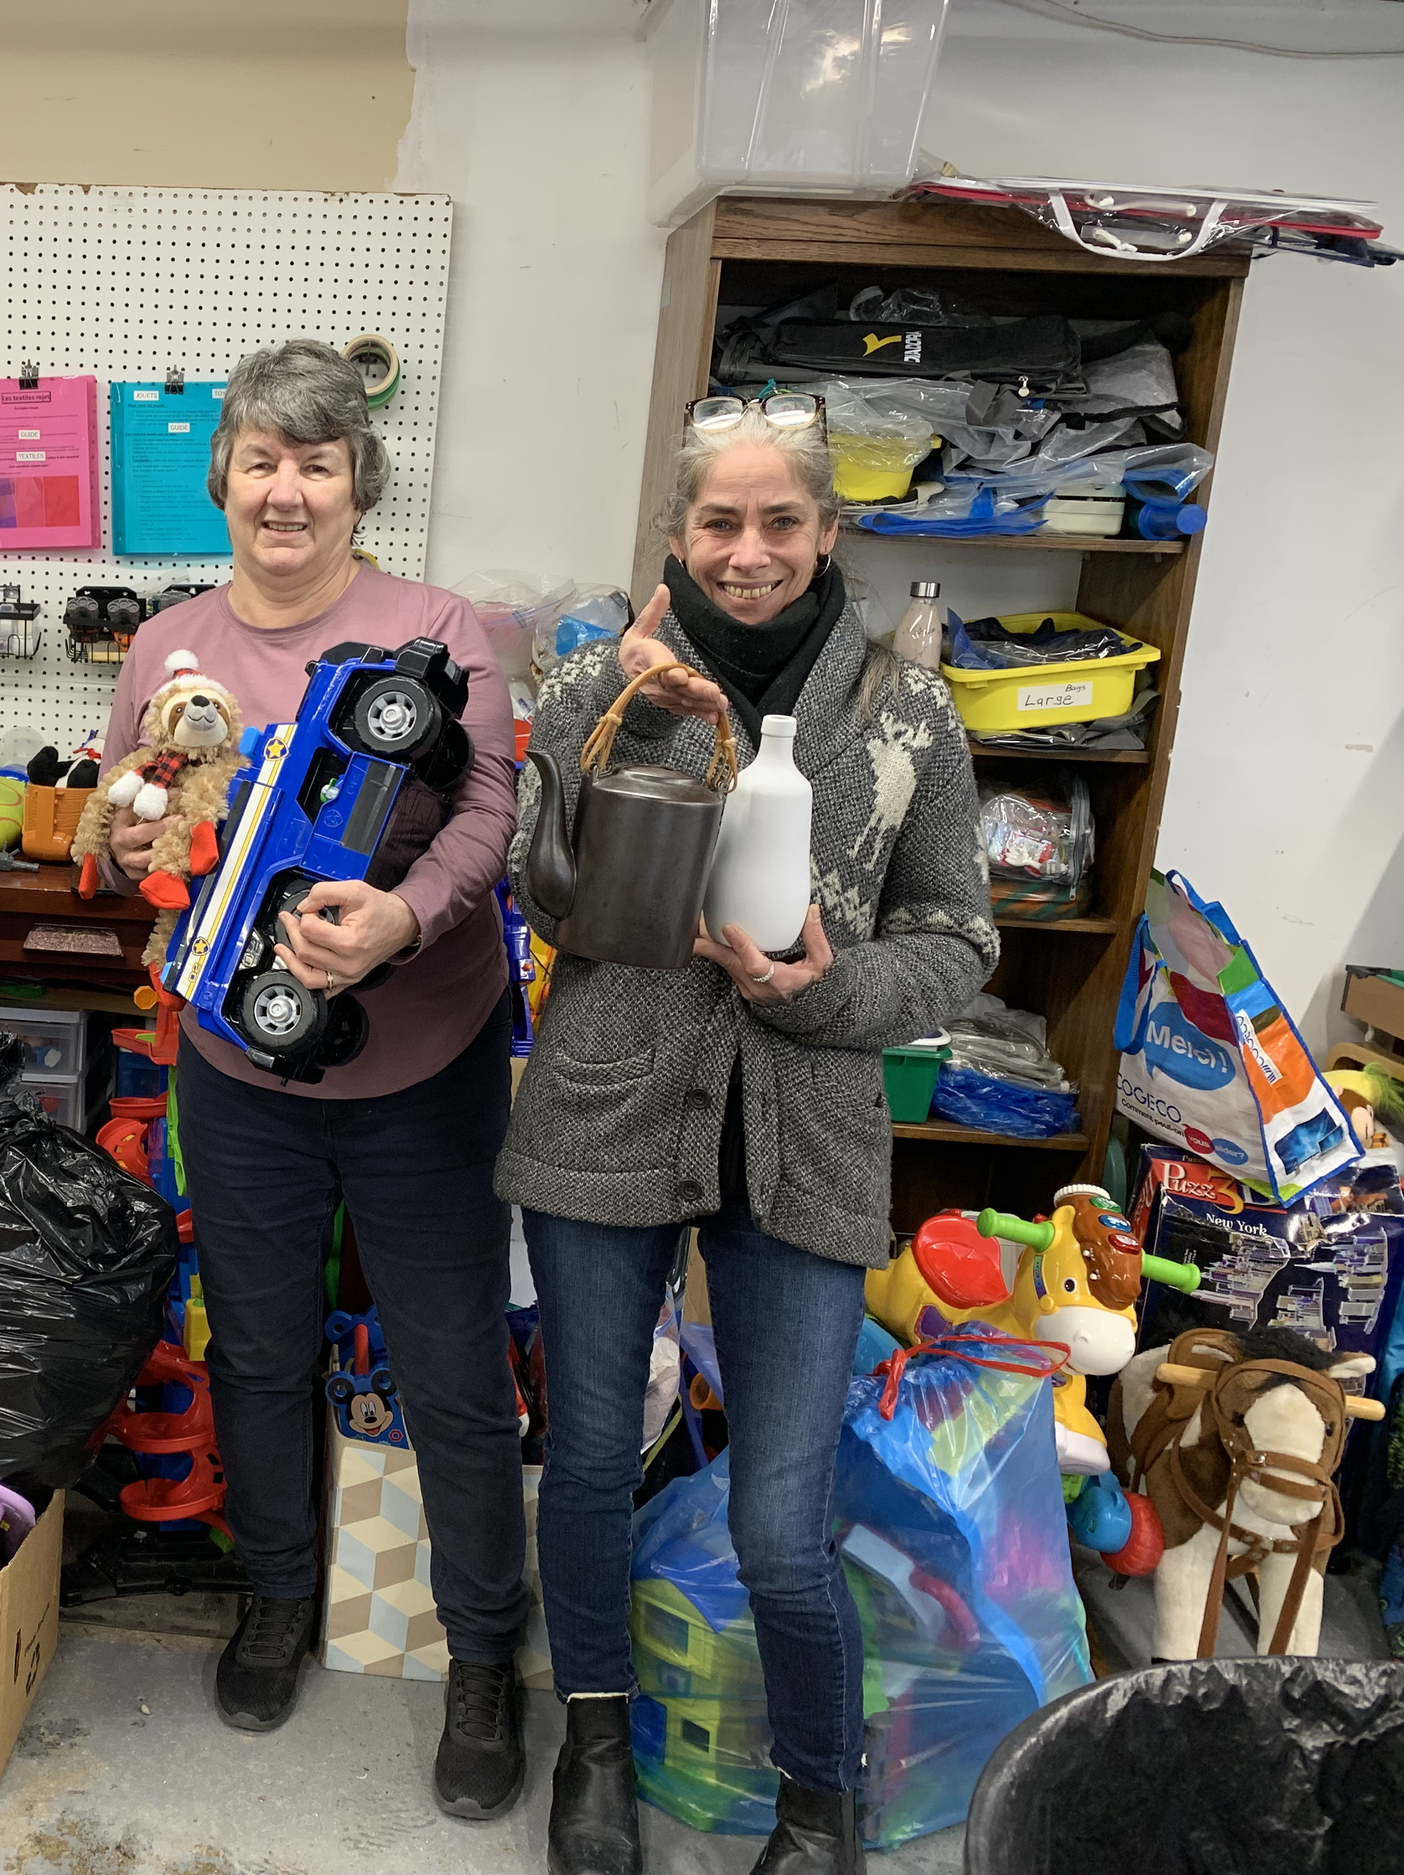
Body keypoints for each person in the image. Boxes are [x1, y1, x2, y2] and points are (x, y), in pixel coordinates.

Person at [504, 397, 996, 1875]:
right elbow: (544, 895)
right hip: (604, 1110)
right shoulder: (594, 677)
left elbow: (959, 939)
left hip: (813, 1131)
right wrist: (625, 735)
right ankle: (594, 1745)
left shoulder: (907, 714)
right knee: (590, 1458)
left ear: (830, 533)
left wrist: (832, 984)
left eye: (783, 520)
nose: (752, 550)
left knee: (786, 1516)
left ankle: (818, 1803)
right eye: (721, 521)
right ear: (676, 534)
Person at [96, 339, 531, 1820]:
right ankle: (276, 1596)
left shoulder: (441, 627)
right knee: (260, 1352)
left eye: (319, 462)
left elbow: (490, 802)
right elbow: (128, 816)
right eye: (263, 460)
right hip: (237, 1068)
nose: (288, 490)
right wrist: (128, 844)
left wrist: (405, 917)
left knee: (456, 1374)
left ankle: (484, 1653)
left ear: (361, 483)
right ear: (221, 475)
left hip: (424, 1063)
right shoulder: (166, 645)